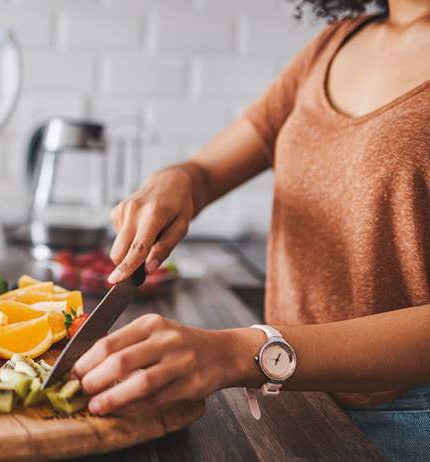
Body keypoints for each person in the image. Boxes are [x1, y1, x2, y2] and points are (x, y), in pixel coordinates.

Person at [71, 0, 430, 459]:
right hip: (294, 399)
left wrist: (240, 353)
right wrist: (178, 181)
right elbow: (207, 169)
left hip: (403, 421)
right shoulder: (335, 44)